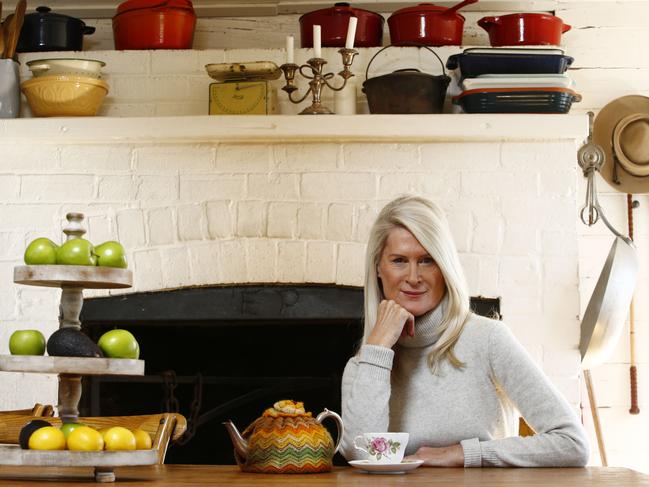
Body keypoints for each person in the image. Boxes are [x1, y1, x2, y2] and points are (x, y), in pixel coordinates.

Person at [340, 195, 590, 467]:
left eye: (427, 260)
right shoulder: (365, 365)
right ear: (378, 268)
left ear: (444, 266)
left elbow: (572, 442)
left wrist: (464, 454)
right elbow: (362, 455)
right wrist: (377, 350)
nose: (413, 277)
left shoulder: (488, 339)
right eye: (399, 260)